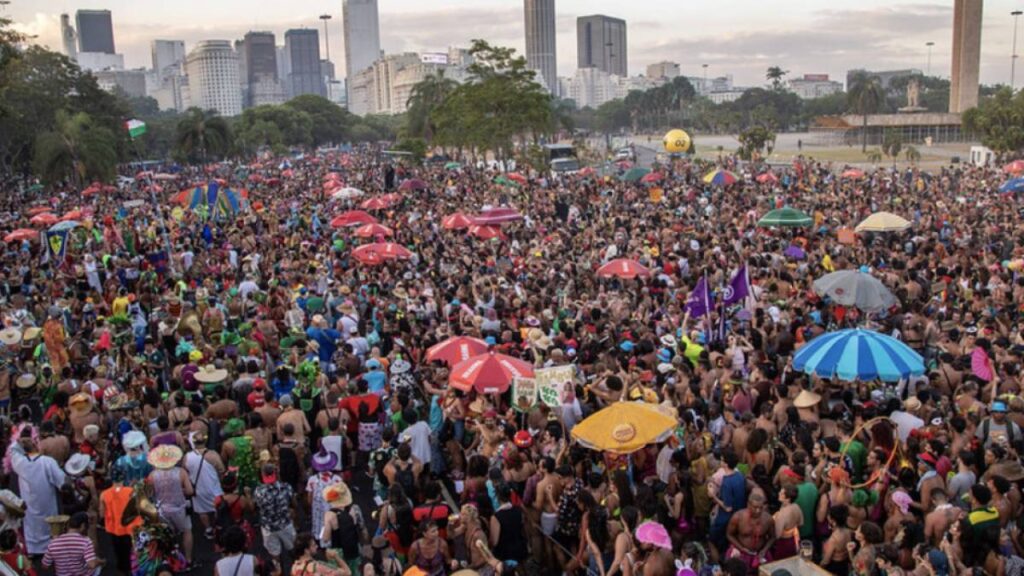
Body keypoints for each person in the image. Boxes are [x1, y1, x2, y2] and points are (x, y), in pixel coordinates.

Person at [9, 435, 65, 557]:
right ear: (36, 445)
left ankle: (33, 550)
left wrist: (19, 440)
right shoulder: (47, 461)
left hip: (29, 502)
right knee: (50, 523)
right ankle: (52, 548)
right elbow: (62, 481)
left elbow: (12, 450)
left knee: (31, 524)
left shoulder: (20, 463)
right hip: (47, 502)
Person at [146, 444, 195, 568]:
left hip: (162, 510)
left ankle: (168, 561)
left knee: (165, 536)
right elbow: (189, 491)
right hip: (179, 508)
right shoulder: (181, 472)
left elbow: (149, 494)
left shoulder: (152, 475)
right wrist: (179, 490)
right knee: (187, 531)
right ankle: (188, 560)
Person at [254, 463, 296, 564]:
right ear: (276, 474)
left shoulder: (258, 491)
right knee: (293, 550)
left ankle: (278, 571)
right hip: (285, 524)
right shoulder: (286, 488)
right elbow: (294, 503)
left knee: (275, 557)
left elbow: (256, 506)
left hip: (269, 528)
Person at [321, 483, 367, 575]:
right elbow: (363, 528)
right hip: (354, 548)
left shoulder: (329, 515)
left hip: (338, 552)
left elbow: (326, 538)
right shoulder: (355, 509)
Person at [725, 491, 775, 571]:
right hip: (741, 553)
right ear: (748, 505)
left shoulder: (768, 519)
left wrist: (764, 550)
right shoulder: (737, 517)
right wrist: (741, 548)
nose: (758, 510)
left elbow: (772, 537)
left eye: (761, 508)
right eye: (755, 507)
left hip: (760, 554)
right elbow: (729, 534)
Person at [41, 512, 102, 576]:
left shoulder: (53, 544)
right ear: (83, 526)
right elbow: (92, 564)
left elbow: (45, 566)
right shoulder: (86, 541)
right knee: (97, 568)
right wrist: (97, 561)